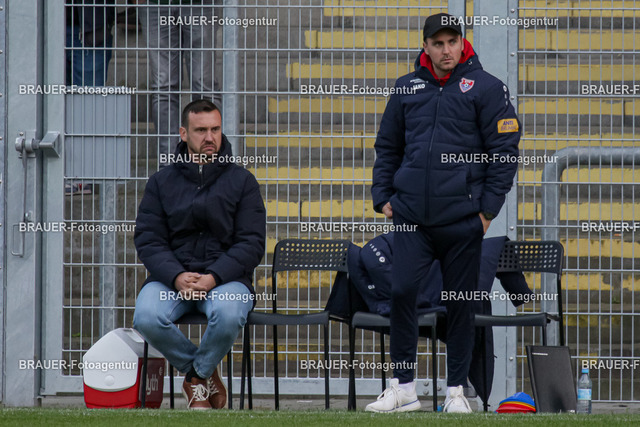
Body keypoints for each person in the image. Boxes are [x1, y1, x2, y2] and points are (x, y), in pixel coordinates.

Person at [367, 13, 521, 413]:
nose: (446, 49)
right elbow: (388, 146)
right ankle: (403, 388)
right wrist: (382, 196)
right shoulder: (406, 87)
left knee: (460, 302)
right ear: (426, 47)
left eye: (452, 41)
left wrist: (487, 212)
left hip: (462, 219)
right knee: (402, 292)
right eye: (438, 43)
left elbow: (504, 151)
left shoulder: (487, 87)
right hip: (412, 218)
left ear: (462, 43)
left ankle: (456, 392)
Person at [133, 99, 266, 409]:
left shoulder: (242, 181)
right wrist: (177, 276)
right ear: (183, 133)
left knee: (229, 313)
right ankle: (204, 371)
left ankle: (195, 377)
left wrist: (213, 277)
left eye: (215, 129)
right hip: (171, 279)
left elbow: (251, 243)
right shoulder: (161, 182)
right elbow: (149, 240)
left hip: (226, 280)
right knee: (146, 317)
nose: (210, 137)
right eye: (201, 130)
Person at [138, 0, 222, 167]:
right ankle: (169, 167)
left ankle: (210, 163)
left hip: (199, 4)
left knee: (203, 86)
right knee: (164, 87)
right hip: (155, 4)